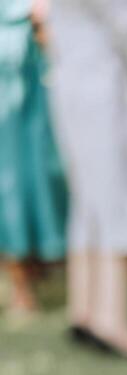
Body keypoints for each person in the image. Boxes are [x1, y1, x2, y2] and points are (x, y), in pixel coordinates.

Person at [48, 0, 127, 359]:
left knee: (87, 198)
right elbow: (125, 21)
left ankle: (83, 308)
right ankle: (111, 320)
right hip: (103, 86)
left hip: (69, 77)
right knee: (117, 195)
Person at [0, 0, 67, 316]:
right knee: (8, 176)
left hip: (32, 60)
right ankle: (20, 283)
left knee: (37, 172)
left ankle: (30, 273)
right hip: (7, 63)